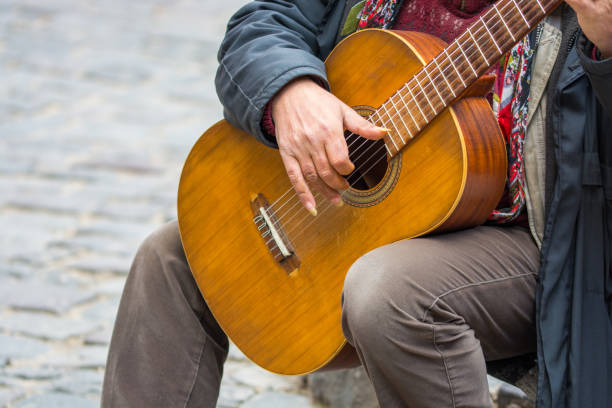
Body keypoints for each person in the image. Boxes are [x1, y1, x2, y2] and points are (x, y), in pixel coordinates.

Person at [101, 0, 612, 407]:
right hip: (376, 219)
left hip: (550, 244)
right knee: (171, 258)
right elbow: (265, 19)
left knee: (388, 291)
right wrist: (291, 88)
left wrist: (606, 50)